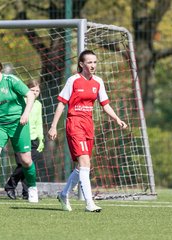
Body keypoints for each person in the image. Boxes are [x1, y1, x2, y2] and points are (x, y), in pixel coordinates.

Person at [48, 50, 128, 212]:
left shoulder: (98, 82)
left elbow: (105, 104)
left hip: (88, 125)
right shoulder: (73, 81)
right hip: (74, 122)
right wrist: (53, 126)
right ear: (81, 64)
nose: (93, 65)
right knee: (85, 163)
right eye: (89, 62)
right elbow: (62, 103)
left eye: (95, 62)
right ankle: (89, 204)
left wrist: (117, 119)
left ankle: (63, 195)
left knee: (81, 166)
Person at [0, 56, 38, 203]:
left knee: (26, 160)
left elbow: (29, 95)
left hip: (19, 124)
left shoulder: (11, 80)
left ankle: (33, 188)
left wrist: (26, 114)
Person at [4, 79, 44, 200]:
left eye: (37, 90)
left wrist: (41, 139)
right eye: (32, 90)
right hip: (21, 137)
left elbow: (39, 123)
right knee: (23, 164)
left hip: (34, 139)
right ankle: (10, 186)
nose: (35, 92)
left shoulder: (38, 105)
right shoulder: (20, 102)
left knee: (30, 165)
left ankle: (27, 192)